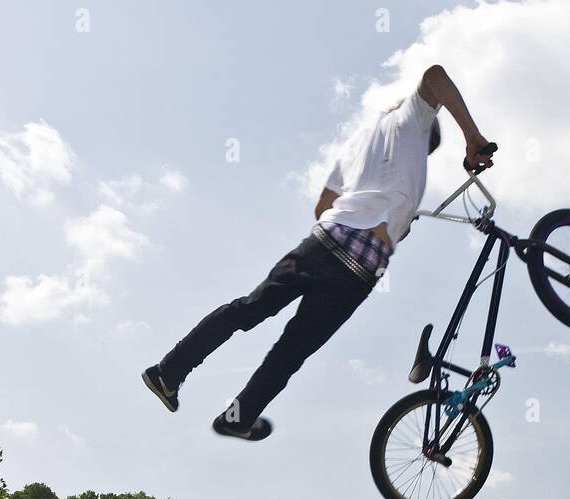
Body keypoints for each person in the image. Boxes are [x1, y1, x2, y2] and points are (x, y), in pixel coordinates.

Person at [142, 65, 495, 442]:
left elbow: (322, 205)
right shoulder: (412, 119)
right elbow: (435, 76)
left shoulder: (359, 146)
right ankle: (238, 417)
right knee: (289, 353)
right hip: (354, 272)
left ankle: (169, 370)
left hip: (321, 244)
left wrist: (372, 213)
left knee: (248, 309)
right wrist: (472, 138)